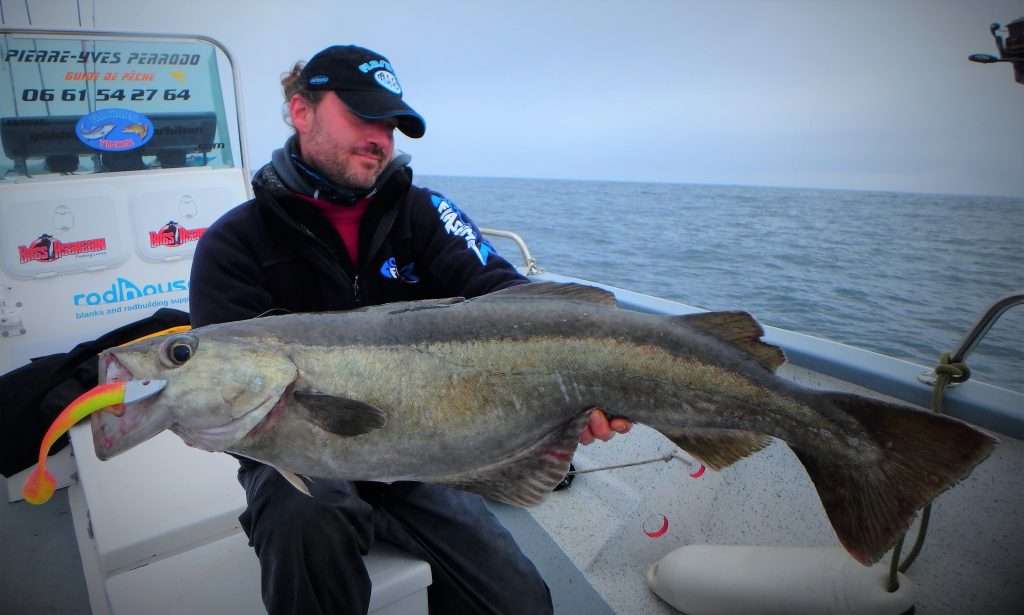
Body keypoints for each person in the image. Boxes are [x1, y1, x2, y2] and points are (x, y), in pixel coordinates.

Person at [188, 44, 630, 615]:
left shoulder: (424, 215)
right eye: (362, 117)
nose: (381, 138)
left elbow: (506, 298)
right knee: (308, 520)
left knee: (519, 602)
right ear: (302, 111)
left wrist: (572, 389)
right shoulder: (234, 245)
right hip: (297, 467)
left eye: (391, 125)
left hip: (423, 459)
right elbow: (222, 399)